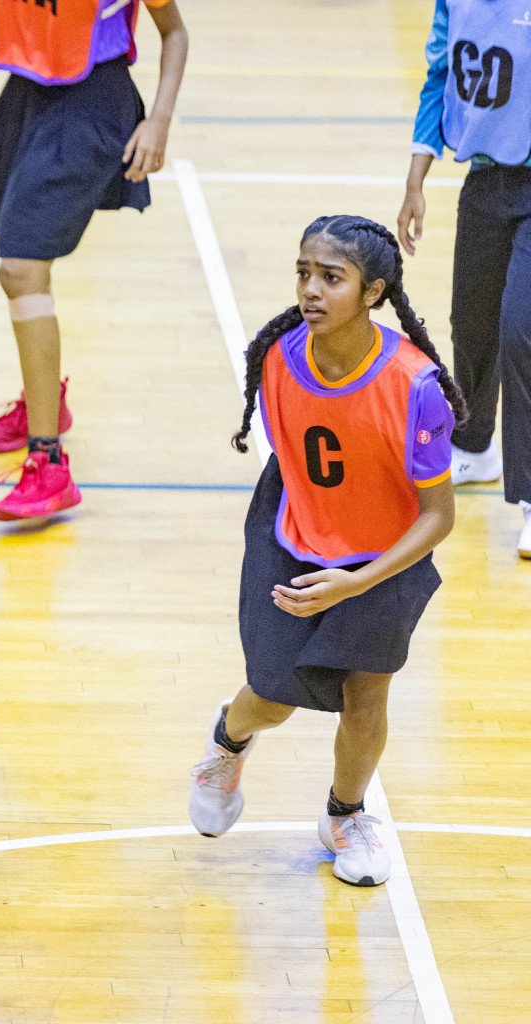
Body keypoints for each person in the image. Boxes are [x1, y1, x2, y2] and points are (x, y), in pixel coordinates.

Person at [186, 217, 464, 887]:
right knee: (274, 698)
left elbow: (439, 517)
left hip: (387, 557)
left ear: (373, 292)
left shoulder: (417, 386)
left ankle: (345, 815)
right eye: (303, 273)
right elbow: (292, 462)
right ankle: (226, 742)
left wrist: (356, 579)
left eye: (330, 278)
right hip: (294, 541)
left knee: (367, 697)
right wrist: (319, 553)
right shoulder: (280, 358)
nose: (311, 290)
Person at [0, 0, 188, 521]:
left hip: (93, 101)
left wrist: (159, 120)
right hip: (25, 99)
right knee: (23, 269)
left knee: (20, 269)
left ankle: (48, 463)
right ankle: (43, 399)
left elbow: (175, 32)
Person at [398, 0, 531, 558]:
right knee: (470, 322)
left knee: (519, 332)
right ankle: (475, 447)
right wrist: (415, 180)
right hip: (484, 179)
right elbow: (438, 77)